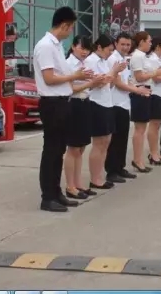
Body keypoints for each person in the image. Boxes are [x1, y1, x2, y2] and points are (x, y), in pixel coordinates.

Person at [33, 7, 94, 212]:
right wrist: (74, 77)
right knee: (51, 150)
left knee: (59, 150)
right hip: (52, 103)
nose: (70, 32)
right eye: (70, 28)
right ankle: (47, 197)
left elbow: (62, 74)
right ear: (64, 25)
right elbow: (49, 79)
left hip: (63, 101)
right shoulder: (45, 46)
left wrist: (76, 75)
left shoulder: (57, 46)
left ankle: (56, 192)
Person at [105, 32, 150, 184]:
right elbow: (117, 82)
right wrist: (137, 90)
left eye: (128, 44)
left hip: (124, 102)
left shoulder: (124, 59)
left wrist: (136, 88)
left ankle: (120, 167)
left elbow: (127, 81)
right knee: (115, 139)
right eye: (122, 44)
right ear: (116, 44)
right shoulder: (113, 59)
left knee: (123, 138)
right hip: (114, 103)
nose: (125, 47)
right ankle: (111, 170)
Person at [85, 34, 126, 190]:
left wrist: (114, 72)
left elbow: (109, 84)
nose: (110, 53)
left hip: (107, 102)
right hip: (96, 103)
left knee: (106, 141)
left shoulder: (104, 62)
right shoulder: (91, 61)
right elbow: (98, 82)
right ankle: (95, 178)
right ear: (99, 47)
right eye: (108, 50)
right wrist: (114, 71)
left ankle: (100, 174)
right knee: (98, 142)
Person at [64, 36, 102, 200]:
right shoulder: (68, 65)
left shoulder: (84, 64)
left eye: (87, 49)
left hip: (85, 102)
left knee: (81, 147)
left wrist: (98, 81)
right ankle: (70, 186)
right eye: (82, 48)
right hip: (73, 104)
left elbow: (89, 86)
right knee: (73, 148)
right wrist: (89, 83)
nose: (85, 52)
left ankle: (78, 183)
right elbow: (69, 89)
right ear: (73, 47)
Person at [129, 31, 161, 173]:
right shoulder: (137, 56)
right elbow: (139, 77)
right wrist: (155, 73)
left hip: (147, 91)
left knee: (143, 128)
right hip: (139, 91)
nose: (150, 43)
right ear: (141, 42)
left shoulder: (142, 56)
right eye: (149, 41)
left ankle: (140, 159)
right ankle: (137, 159)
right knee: (140, 129)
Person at [147, 38, 161, 164]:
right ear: (158, 47)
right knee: (154, 124)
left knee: (158, 125)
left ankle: (155, 152)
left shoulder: (159, 59)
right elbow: (156, 78)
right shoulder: (153, 60)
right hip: (155, 94)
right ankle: (153, 154)